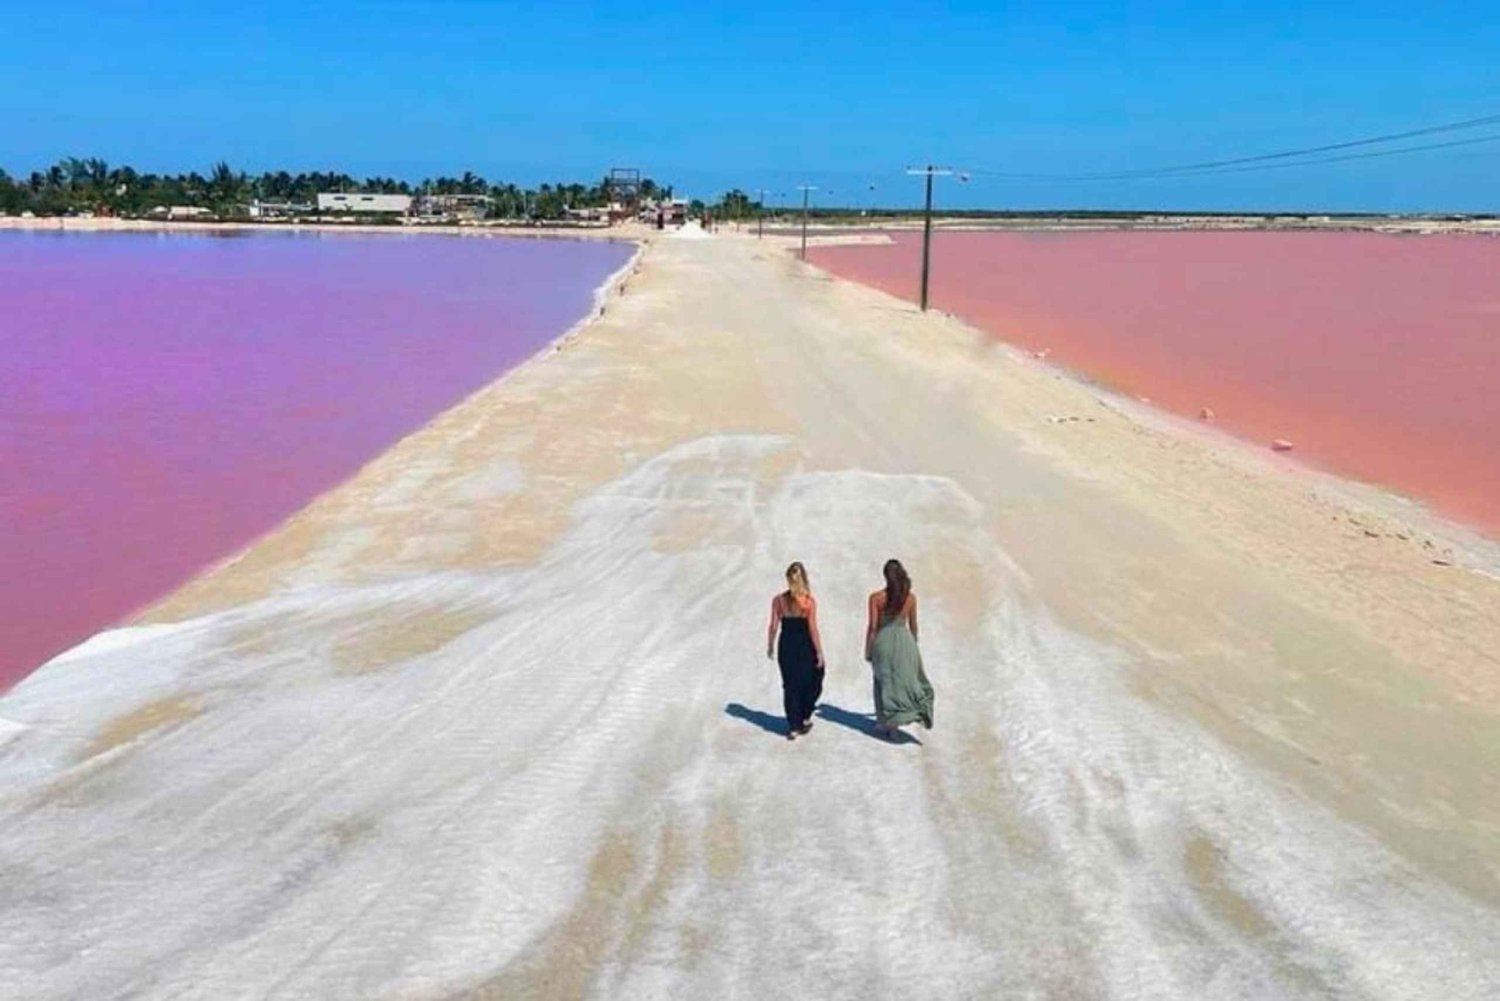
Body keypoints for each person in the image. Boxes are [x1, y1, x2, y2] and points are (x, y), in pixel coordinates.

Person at [865, 559, 934, 737]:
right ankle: (894, 724)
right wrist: (913, 645)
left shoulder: (876, 598)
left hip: (883, 640)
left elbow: (872, 627)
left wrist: (868, 648)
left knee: (882, 679)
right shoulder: (910, 598)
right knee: (902, 682)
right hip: (905, 641)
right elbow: (913, 625)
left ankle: (884, 721)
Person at [766, 562, 825, 740]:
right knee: (811, 679)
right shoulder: (808, 603)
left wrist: (770, 645)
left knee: (790, 684)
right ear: (804, 579)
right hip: (804, 645)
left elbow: (773, 626)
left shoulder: (779, 601)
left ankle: (794, 725)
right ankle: (804, 716)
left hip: (786, 644)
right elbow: (813, 629)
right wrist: (820, 652)